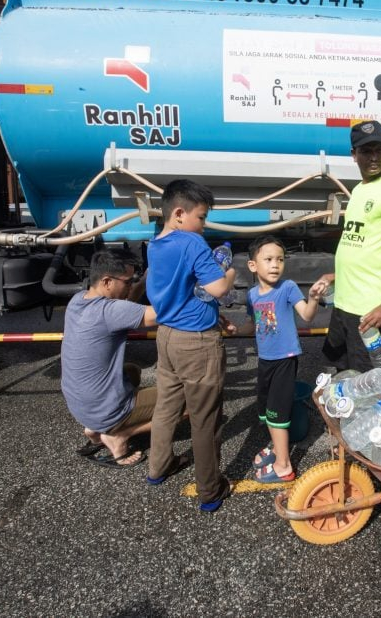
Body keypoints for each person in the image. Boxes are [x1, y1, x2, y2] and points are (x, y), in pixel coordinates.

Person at [145, 179, 236, 512]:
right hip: (196, 343)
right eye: (202, 217)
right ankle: (210, 490)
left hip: (166, 336)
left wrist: (213, 314)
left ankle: (158, 468)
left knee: (166, 406)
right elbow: (217, 289)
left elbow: (186, 292)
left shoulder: (156, 244)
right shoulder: (193, 243)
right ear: (180, 213)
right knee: (205, 418)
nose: (204, 224)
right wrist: (230, 273)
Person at [314, 120, 381, 372]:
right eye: (366, 151)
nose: (374, 157)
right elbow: (364, 244)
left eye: (379, 150)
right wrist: (334, 275)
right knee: (337, 372)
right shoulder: (360, 189)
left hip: (369, 310)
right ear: (354, 154)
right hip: (345, 303)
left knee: (366, 382)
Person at [233, 235, 323, 483]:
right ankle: (277, 448)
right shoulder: (252, 295)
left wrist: (313, 298)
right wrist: (235, 330)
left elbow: (306, 315)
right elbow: (253, 325)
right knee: (266, 411)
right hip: (265, 360)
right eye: (268, 259)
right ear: (253, 265)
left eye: (280, 260)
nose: (275, 265)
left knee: (278, 413)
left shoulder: (288, 287)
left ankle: (284, 466)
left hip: (285, 359)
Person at [60, 248, 157, 468]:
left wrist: (142, 281)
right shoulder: (110, 312)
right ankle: (120, 434)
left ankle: (95, 429)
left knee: (132, 371)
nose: (130, 286)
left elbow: (125, 307)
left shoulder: (77, 301)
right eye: (127, 281)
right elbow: (166, 314)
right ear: (107, 281)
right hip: (104, 409)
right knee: (191, 401)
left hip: (81, 407)